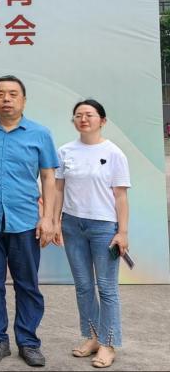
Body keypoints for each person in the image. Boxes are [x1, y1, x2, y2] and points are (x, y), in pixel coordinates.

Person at [0, 75, 58, 367]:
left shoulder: (40, 134)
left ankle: (28, 342)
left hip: (26, 221)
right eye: (0, 94)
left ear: (23, 100)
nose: (6, 99)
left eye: (12, 94)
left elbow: (48, 177)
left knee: (27, 284)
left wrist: (48, 218)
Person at [53, 100, 130, 369]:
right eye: (78, 115)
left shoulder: (114, 153)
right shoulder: (65, 151)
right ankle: (93, 336)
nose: (83, 119)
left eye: (89, 115)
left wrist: (122, 232)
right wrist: (55, 222)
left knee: (107, 288)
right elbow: (58, 189)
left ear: (102, 120)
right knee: (84, 286)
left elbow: (120, 196)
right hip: (72, 225)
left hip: (104, 227)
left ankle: (108, 344)